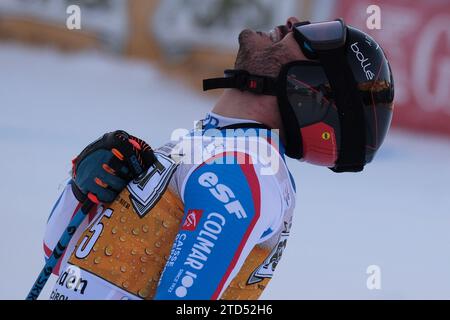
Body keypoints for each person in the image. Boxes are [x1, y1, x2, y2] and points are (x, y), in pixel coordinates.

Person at [43, 17, 394, 300]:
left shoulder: (244, 168)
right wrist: (80, 193)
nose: (292, 23)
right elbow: (61, 267)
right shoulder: (208, 147)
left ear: (309, 87)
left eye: (315, 36)